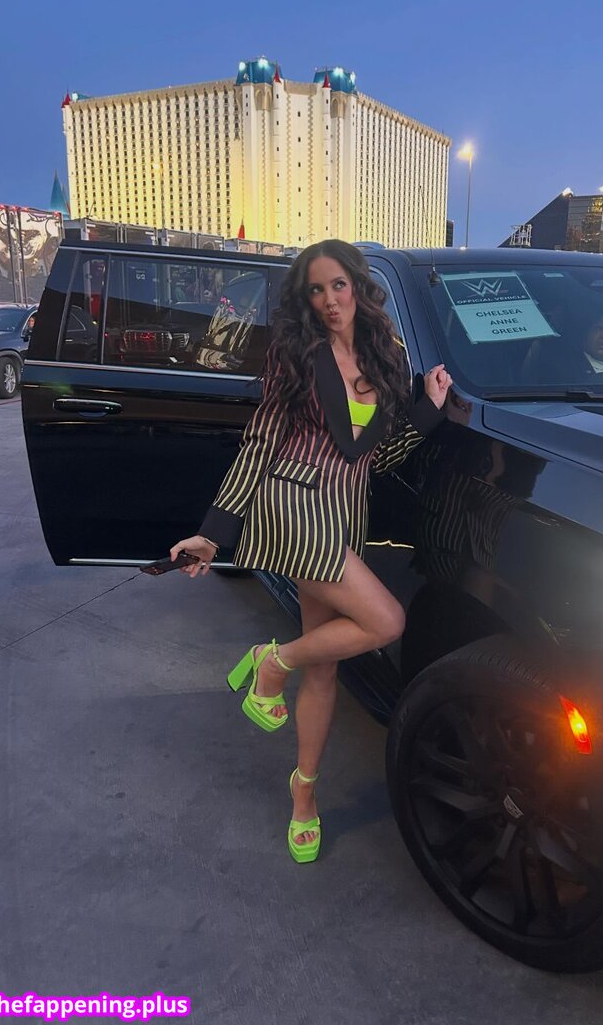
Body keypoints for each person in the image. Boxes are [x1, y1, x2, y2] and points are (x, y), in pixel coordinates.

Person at [169, 240, 452, 864]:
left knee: (325, 667)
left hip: (342, 517)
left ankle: (304, 790)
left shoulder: (385, 357)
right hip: (292, 506)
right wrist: (213, 532)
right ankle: (272, 663)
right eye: (316, 290)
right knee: (387, 620)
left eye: (338, 286)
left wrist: (428, 409)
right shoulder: (297, 354)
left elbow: (376, 457)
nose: (328, 300)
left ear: (359, 287)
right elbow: (260, 442)